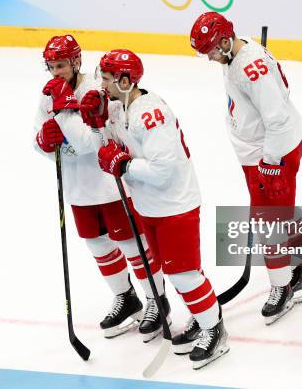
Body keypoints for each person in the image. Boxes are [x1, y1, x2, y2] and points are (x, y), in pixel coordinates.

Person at [79, 49, 229, 369]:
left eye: (106, 78)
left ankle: (214, 330)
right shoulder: (120, 108)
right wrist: (95, 127)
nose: (100, 84)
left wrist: (125, 166)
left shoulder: (151, 114)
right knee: (172, 269)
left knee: (184, 273)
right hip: (148, 205)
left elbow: (163, 170)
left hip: (175, 206)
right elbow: (108, 150)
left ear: (124, 80)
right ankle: (201, 317)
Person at [189, 12, 302, 325]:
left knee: (269, 225)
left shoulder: (249, 67)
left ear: (224, 41)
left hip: (271, 155)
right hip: (261, 153)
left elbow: (277, 119)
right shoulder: (234, 55)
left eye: (209, 50)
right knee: (281, 215)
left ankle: (283, 287)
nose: (208, 58)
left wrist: (270, 163)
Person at [33, 35, 167, 342]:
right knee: (98, 246)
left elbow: (89, 143)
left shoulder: (96, 90)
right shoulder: (49, 93)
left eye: (62, 65)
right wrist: (44, 141)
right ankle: (126, 297)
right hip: (78, 188)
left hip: (109, 185)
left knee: (133, 245)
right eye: (51, 66)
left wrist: (65, 112)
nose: (56, 72)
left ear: (76, 61)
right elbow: (37, 136)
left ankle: (156, 301)